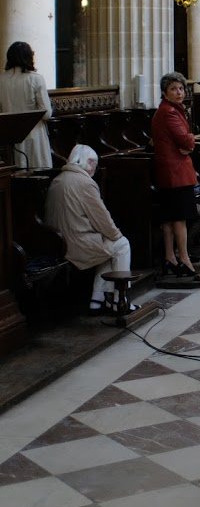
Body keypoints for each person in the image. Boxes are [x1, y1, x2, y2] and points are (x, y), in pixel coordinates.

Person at [44, 144, 134, 314]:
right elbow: (102, 218)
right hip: (76, 243)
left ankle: (97, 300)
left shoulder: (58, 179)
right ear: (89, 162)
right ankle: (120, 300)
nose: (95, 169)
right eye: (95, 164)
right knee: (122, 245)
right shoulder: (85, 182)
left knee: (107, 250)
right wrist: (116, 235)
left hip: (58, 242)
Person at [151, 72, 199, 279]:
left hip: (168, 172)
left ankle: (170, 257)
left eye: (181, 88)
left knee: (170, 219)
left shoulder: (166, 110)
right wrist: (189, 142)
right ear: (165, 92)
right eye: (174, 89)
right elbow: (186, 141)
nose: (179, 93)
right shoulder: (170, 112)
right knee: (179, 219)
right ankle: (185, 259)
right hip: (176, 172)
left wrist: (186, 144)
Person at [0, 41, 52, 169]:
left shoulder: (1, 79)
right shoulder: (36, 79)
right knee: (37, 175)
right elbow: (47, 114)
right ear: (29, 57)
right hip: (34, 135)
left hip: (10, 135)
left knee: (14, 178)